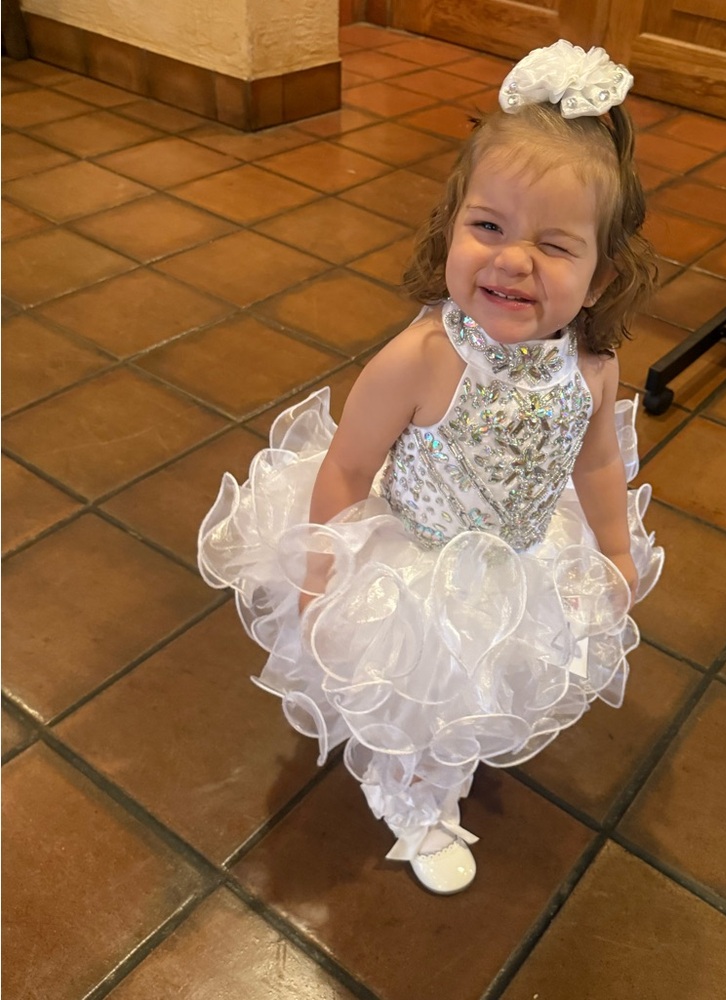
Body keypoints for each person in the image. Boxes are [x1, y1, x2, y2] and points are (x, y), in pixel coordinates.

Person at [198, 39, 664, 895]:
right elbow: (345, 468)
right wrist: (322, 569)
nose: (512, 259)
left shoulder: (591, 368)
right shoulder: (420, 358)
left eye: (555, 246)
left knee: (483, 683)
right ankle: (411, 797)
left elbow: (597, 462)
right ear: (451, 228)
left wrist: (613, 547)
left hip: (521, 560)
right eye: (488, 227)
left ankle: (444, 749)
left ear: (601, 278)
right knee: (413, 693)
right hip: (415, 564)